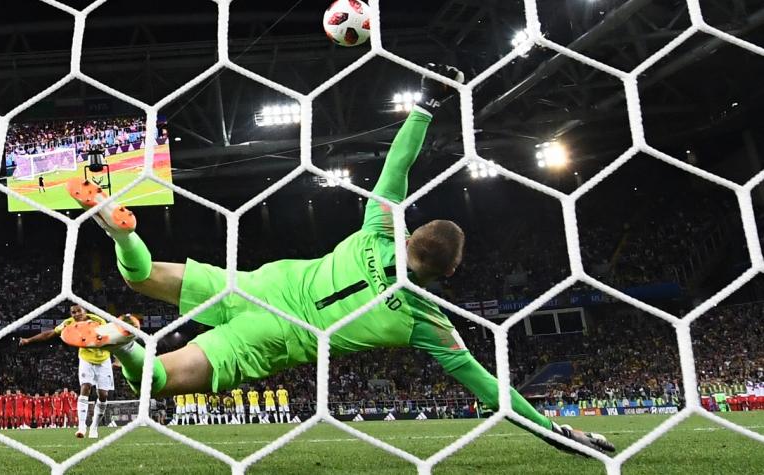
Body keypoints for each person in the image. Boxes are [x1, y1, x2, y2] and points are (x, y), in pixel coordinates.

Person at [60, 64, 614, 455]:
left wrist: (425, 107)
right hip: (279, 336)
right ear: (449, 272)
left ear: (410, 235)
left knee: (143, 276)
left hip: (263, 283)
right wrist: (557, 432)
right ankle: (126, 343)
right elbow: (491, 390)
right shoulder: (425, 321)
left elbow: (395, 170)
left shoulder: (379, 230)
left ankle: (116, 228)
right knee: (157, 379)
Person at [20, 305, 115, 439]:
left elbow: (112, 338)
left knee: (103, 395)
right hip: (86, 359)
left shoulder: (98, 321)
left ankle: (94, 427)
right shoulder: (69, 323)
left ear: (85, 311)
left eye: (79, 311)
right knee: (85, 387)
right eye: (73, 312)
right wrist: (28, 340)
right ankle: (81, 427)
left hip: (103, 359)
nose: (76, 314)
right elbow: (50, 333)